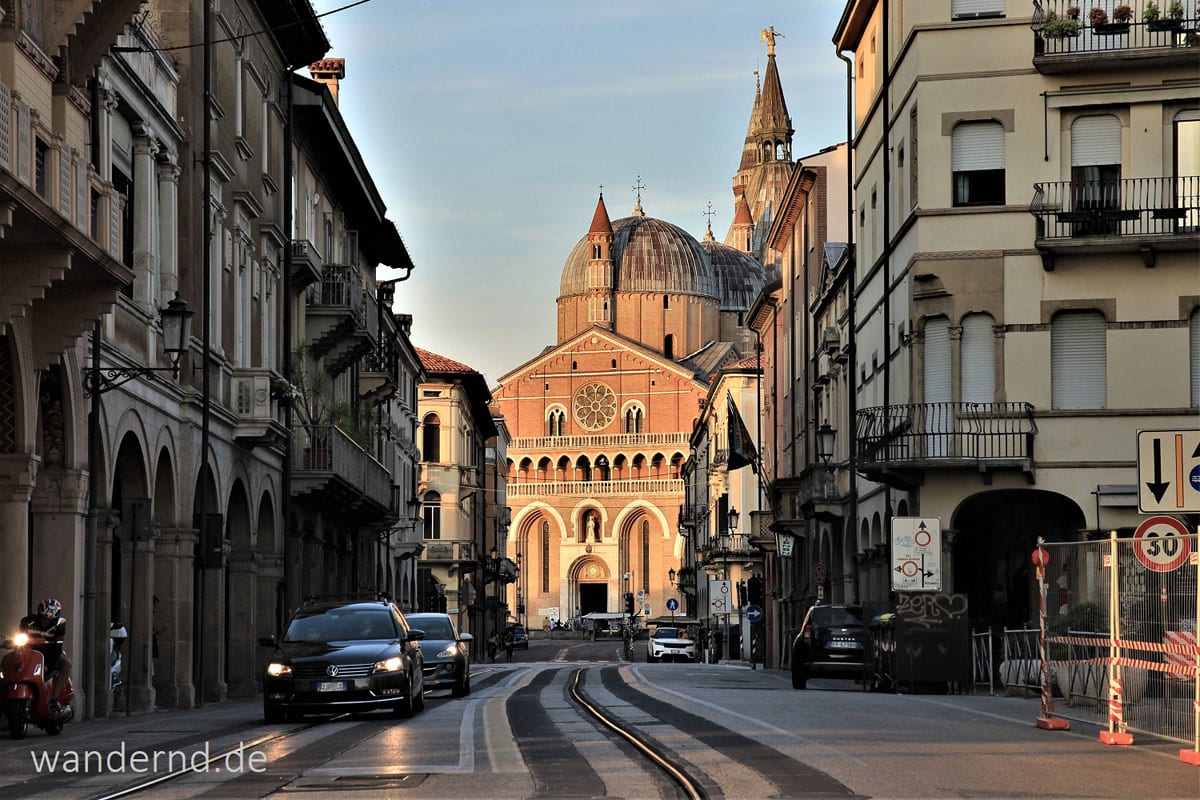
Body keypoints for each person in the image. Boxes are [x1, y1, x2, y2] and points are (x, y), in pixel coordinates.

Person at [20, 597, 70, 711]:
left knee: (67, 663)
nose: (45, 621)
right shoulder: (27, 621)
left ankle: (53, 700)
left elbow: (58, 647)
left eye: (48, 620)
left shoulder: (59, 624)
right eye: (43, 618)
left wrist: (48, 664)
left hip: (51, 652)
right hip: (30, 652)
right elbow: (19, 636)